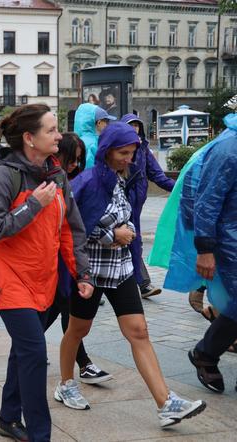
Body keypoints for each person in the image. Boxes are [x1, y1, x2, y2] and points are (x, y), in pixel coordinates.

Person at [58, 122, 206, 427]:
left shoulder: (122, 179)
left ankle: (166, 403)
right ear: (108, 151)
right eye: (124, 152)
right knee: (77, 330)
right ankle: (66, 383)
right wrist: (112, 235)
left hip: (121, 269)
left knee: (139, 331)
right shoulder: (86, 181)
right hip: (91, 272)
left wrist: (128, 237)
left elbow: (129, 219)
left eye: (132, 152)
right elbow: (74, 228)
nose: (130, 158)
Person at [0, 104, 93, 442]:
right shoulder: (4, 175)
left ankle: (8, 419)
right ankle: (41, 435)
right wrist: (33, 205)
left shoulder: (55, 174)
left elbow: (70, 229)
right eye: (51, 130)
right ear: (30, 138)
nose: (59, 135)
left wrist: (83, 274)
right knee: (33, 353)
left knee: (23, 350)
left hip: (42, 280)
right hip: (9, 281)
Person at [43, 133, 112, 384]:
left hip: (72, 257)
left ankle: (28, 350)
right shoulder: (49, 177)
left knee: (60, 309)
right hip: (56, 256)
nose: (74, 164)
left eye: (78, 160)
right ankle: (82, 364)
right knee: (61, 309)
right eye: (71, 159)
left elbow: (80, 223)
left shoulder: (77, 180)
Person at [186, 114, 237, 393]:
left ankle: (206, 353)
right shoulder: (229, 148)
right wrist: (205, 249)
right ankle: (205, 353)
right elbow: (206, 202)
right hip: (229, 241)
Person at [120, 114, 175, 299]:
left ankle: (120, 281)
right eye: (130, 125)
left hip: (137, 203)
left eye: (137, 125)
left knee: (129, 241)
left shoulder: (143, 148)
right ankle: (143, 284)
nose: (134, 128)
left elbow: (158, 175)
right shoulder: (118, 149)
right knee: (133, 241)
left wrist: (179, 187)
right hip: (121, 201)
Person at [73, 103, 116, 169]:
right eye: (106, 122)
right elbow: (90, 171)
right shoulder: (92, 144)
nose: (107, 125)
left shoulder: (78, 140)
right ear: (99, 123)